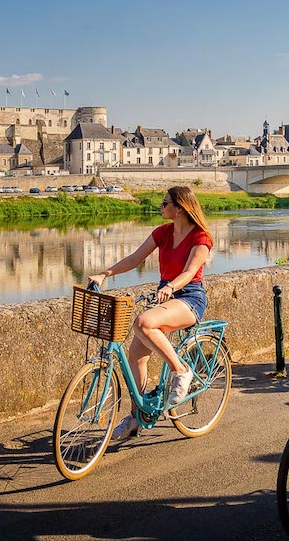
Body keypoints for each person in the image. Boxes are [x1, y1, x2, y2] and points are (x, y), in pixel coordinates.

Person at [87, 186, 213, 440]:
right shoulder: (162, 233)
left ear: (179, 209)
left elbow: (189, 273)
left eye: (165, 203)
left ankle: (181, 370)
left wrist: (171, 285)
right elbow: (134, 259)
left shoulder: (201, 237)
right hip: (165, 296)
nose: (161, 207)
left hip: (189, 297)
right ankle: (137, 416)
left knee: (143, 322)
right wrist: (104, 274)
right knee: (136, 357)